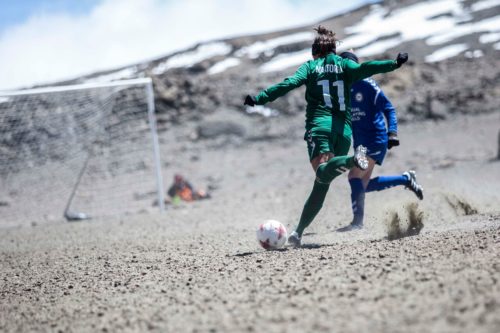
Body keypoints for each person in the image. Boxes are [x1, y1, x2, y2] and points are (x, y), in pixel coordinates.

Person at [244, 26, 409, 247]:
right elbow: (367, 68)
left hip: (320, 127)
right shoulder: (345, 65)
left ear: (315, 53)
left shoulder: (311, 66)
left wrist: (259, 99)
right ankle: (298, 233)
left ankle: (353, 160)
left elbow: (289, 83)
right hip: (344, 133)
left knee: (322, 171)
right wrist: (394, 64)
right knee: (322, 182)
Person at [336, 51, 423, 232]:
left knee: (353, 177)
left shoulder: (367, 84)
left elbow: (389, 108)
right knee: (363, 185)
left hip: (375, 137)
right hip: (360, 142)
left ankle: (357, 223)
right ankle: (406, 179)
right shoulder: (342, 88)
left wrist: (392, 132)